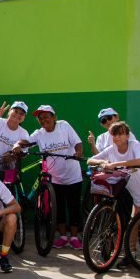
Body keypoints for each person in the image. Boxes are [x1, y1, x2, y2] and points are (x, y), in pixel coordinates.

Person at [16, 105, 84, 249]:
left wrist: (78, 152)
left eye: (46, 116)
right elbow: (26, 142)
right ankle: (63, 237)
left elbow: (78, 143)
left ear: (53, 117)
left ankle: (74, 237)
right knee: (57, 208)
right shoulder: (38, 134)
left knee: (73, 207)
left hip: (73, 175)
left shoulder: (64, 126)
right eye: (40, 118)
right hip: (55, 178)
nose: (43, 120)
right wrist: (18, 145)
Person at [87, 121, 140, 215]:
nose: (117, 137)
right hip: (137, 193)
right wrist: (103, 162)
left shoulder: (134, 144)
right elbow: (89, 161)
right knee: (133, 223)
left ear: (127, 136)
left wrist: (114, 164)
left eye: (120, 134)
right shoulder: (110, 149)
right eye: (114, 134)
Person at [0, 101, 30, 180]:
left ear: (24, 117)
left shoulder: (24, 133)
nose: (18, 115)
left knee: (8, 191)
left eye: (21, 114)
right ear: (9, 112)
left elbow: (23, 153)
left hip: (9, 167)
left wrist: (13, 156)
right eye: (16, 111)